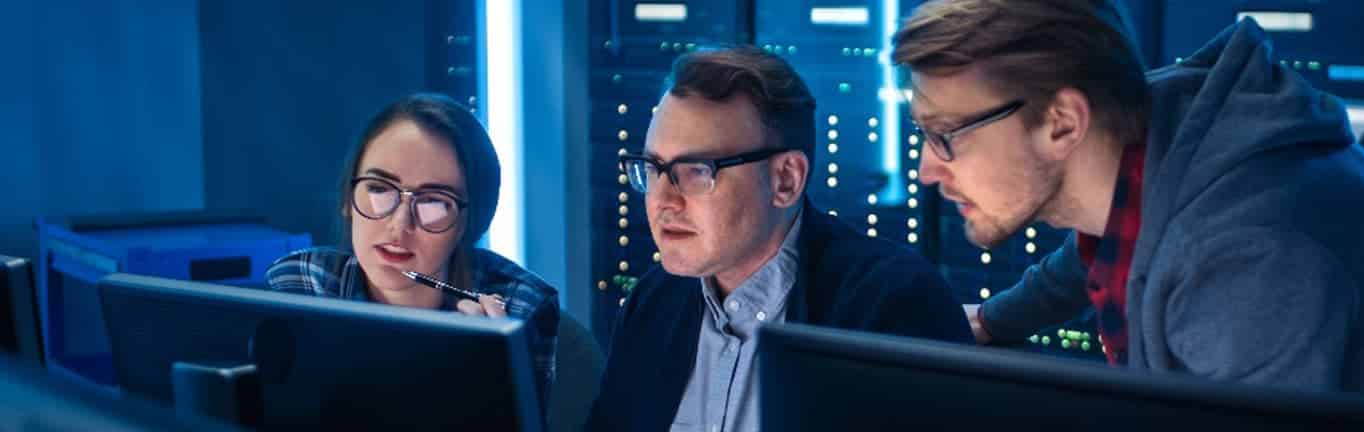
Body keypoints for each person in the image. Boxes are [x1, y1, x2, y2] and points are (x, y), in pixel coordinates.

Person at [894, 0, 1364, 398]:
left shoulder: (1245, 261)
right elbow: (1091, 251)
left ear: (1062, 123)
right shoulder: (1160, 145)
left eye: (945, 134)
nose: (925, 169)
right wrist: (993, 320)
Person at [586, 46, 974, 432]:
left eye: (696, 171)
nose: (663, 200)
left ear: (785, 180)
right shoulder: (653, 301)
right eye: (653, 168)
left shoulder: (892, 304)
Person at [264, 93, 560, 403]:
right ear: (347, 199)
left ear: (469, 224)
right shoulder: (303, 284)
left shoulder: (518, 306)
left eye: (433, 202)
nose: (399, 225)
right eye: (378, 189)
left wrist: (484, 380)